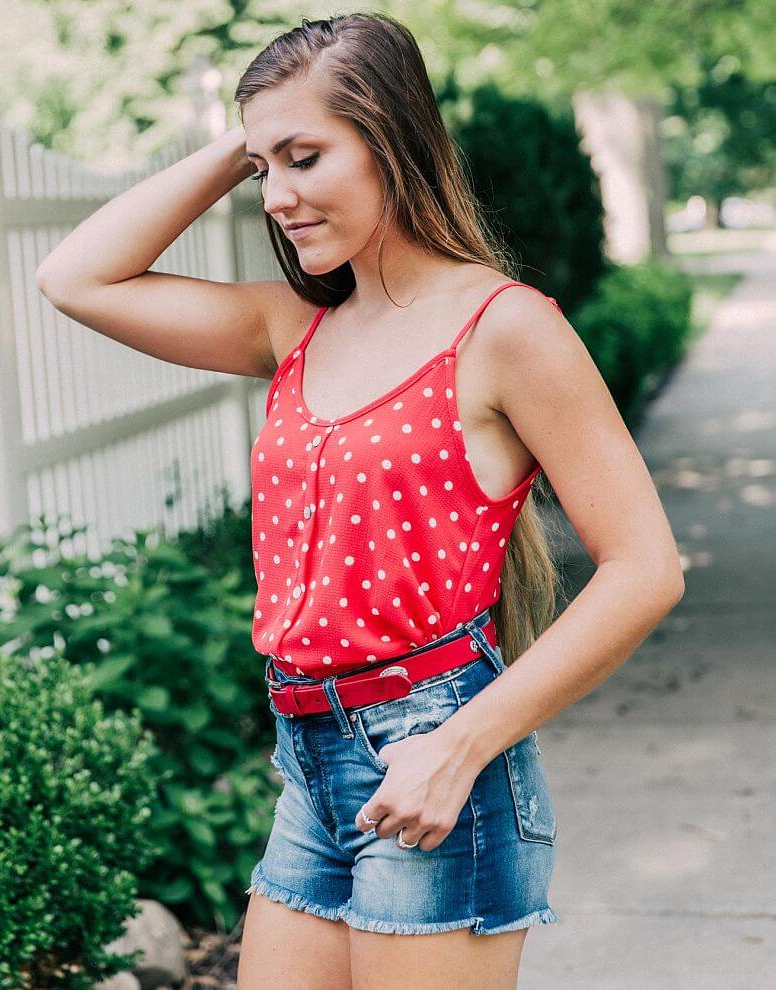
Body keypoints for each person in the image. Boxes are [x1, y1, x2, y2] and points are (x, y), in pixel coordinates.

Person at [36, 12, 685, 989]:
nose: (281, 197)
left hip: (433, 747)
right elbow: (74, 276)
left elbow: (645, 568)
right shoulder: (293, 324)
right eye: (266, 172)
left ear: (392, 139)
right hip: (308, 764)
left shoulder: (503, 329)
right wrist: (247, 140)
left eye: (307, 156)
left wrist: (459, 747)